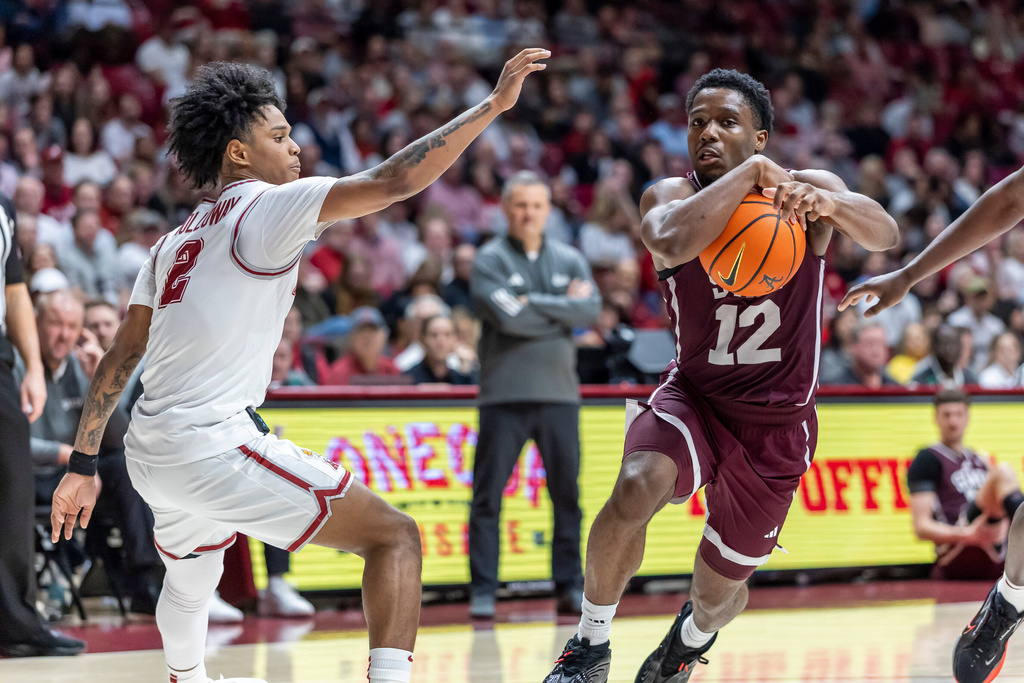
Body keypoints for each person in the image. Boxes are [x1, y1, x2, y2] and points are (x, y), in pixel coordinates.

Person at [49, 53, 548, 683]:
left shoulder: (172, 241)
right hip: (209, 442)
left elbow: (121, 357)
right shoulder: (266, 207)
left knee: (192, 575)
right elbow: (395, 181)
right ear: (238, 154)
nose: (296, 149)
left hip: (151, 449)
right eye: (279, 136)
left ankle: (186, 678)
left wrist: (84, 464)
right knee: (394, 537)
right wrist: (493, 107)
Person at [544, 68, 897, 683]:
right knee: (635, 482)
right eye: (697, 122)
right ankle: (589, 645)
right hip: (697, 396)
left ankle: (689, 638)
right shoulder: (668, 195)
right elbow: (667, 239)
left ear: (760, 136)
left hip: (777, 425)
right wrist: (750, 179)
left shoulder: (805, 193)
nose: (707, 133)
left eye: (726, 122)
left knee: (717, 593)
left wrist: (830, 203)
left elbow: (885, 235)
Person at [842, 160, 1024, 683]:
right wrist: (909, 274)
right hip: (960, 538)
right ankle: (1008, 603)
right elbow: (1008, 198)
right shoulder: (933, 458)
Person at [469, 170, 601, 620]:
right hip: (502, 397)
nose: (528, 213)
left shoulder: (570, 257)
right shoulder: (488, 259)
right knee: (487, 498)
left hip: (560, 396)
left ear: (549, 210)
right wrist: (560, 308)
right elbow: (509, 321)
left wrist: (533, 303)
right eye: (520, 205)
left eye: (536, 205)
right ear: (507, 209)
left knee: (567, 495)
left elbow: (591, 311)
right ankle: (484, 589)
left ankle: (569, 585)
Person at [26, 290, 161, 614]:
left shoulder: (81, 366)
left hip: (72, 471)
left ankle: (147, 582)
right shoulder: (19, 365)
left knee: (127, 467)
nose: (64, 334)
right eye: (56, 324)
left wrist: (97, 382)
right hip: (26, 475)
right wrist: (75, 461)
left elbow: (119, 438)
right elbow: (13, 443)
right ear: (35, 324)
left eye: (72, 326)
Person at [0, 194, 85, 658]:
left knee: (12, 487)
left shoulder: (4, 208)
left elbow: (13, 289)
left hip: (0, 352)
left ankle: (17, 622)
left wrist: (32, 363)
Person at [907, 389, 1023, 581]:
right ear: (936, 418)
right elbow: (921, 527)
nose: (953, 422)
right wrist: (967, 534)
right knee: (1002, 471)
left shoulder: (980, 458)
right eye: (947, 415)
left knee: (1003, 474)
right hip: (958, 545)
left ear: (967, 417)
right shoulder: (927, 458)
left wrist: (1004, 525)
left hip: (992, 545)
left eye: (958, 414)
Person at [821, 321, 900, 387]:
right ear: (852, 347)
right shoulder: (835, 389)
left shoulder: (897, 390)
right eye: (869, 344)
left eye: (880, 344)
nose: (875, 351)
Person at [404, 315, 474, 385]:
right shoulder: (409, 379)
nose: (441, 341)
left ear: (456, 339)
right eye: (434, 335)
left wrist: (466, 370)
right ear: (422, 339)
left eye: (447, 335)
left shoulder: (462, 376)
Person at [910, 323, 979, 388]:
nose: (950, 350)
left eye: (954, 345)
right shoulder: (920, 381)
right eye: (944, 345)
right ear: (934, 347)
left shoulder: (969, 379)